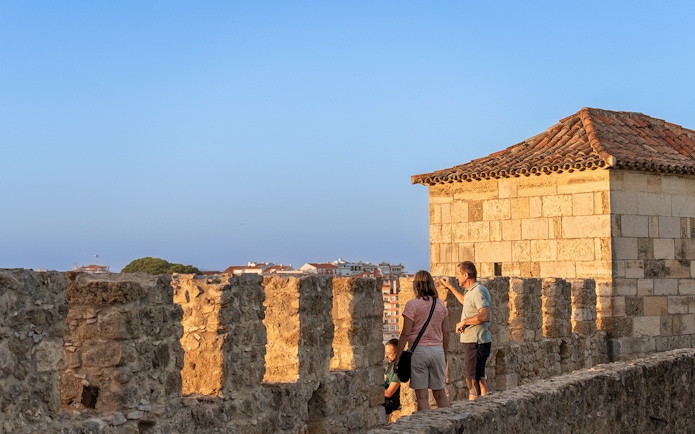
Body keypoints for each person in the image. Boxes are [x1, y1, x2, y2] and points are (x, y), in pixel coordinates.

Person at [394, 270, 450, 411]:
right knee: (440, 393)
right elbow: (447, 332)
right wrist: (445, 353)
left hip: (419, 351)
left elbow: (405, 333)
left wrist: (398, 356)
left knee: (422, 396)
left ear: (416, 286)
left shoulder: (412, 305)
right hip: (437, 351)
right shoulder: (441, 305)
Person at [439, 261, 492, 401]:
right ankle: (485, 406)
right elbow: (466, 302)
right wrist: (450, 287)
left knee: (471, 380)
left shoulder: (478, 291)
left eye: (458, 274)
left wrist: (464, 322)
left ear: (466, 275)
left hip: (476, 342)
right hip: (477, 341)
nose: (456, 277)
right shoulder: (471, 291)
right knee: (479, 378)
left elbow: (485, 315)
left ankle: (474, 408)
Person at [383, 338, 401, 414]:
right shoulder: (391, 365)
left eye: (389, 353)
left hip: (391, 402)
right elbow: (384, 381)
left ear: (397, 352)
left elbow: (389, 393)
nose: (386, 356)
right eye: (386, 353)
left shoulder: (398, 369)